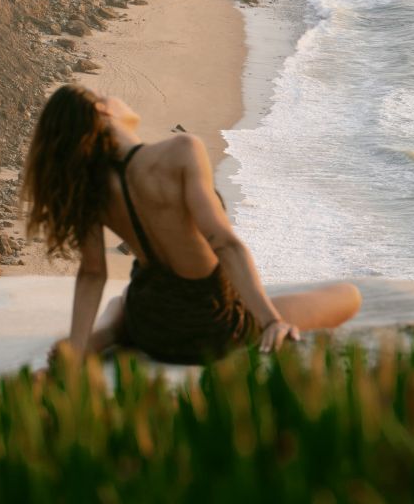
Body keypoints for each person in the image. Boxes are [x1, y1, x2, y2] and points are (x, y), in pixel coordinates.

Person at [24, 84, 362, 364]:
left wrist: (77, 349)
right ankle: (112, 332)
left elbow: (93, 273)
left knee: (123, 299)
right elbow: (223, 242)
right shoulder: (181, 151)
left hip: (150, 326)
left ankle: (101, 337)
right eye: (106, 95)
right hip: (212, 326)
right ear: (104, 111)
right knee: (349, 296)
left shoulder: (92, 187)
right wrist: (271, 320)